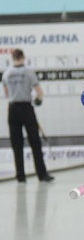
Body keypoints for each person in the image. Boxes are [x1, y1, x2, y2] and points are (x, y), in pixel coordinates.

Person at [2, 49, 54, 183]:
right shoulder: (29, 72)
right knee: (35, 141)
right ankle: (42, 174)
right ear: (23, 57)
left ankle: (20, 176)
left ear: (12, 58)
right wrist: (38, 100)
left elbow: (7, 94)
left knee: (16, 143)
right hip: (26, 108)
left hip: (12, 109)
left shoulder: (6, 74)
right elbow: (39, 93)